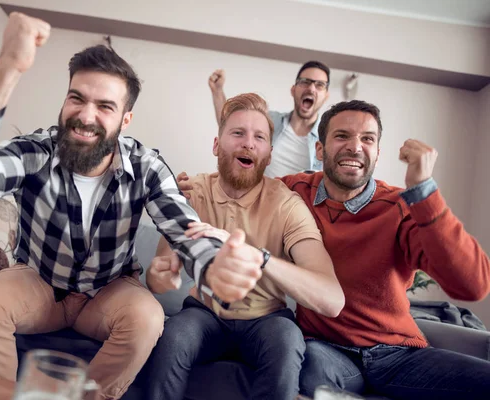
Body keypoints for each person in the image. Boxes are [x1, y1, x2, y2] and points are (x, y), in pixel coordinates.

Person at [0, 12, 264, 399]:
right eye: (77, 98)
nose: (86, 116)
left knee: (147, 317)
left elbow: (183, 227)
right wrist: (9, 67)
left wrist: (214, 262)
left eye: (105, 106)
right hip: (39, 282)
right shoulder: (38, 150)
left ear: (125, 119)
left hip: (108, 292)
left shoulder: (146, 166)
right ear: (65, 100)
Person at [178, 99, 490, 399]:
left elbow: (472, 285)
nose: (355, 146)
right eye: (342, 135)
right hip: (324, 349)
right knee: (310, 374)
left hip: (397, 353)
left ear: (377, 153)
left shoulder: (399, 206)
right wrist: (189, 190)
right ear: (319, 149)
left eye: (367, 138)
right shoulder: (292, 193)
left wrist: (423, 190)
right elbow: (242, 177)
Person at [144, 93, 344, 400]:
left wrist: (259, 257)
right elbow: (158, 278)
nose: (248, 143)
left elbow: (331, 300)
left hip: (267, 321)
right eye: (238, 133)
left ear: (269, 152)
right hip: (204, 314)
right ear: (216, 144)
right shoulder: (190, 193)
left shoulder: (288, 206)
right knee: (174, 335)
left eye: (259, 137)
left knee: (287, 339)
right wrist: (162, 276)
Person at [208, 61, 330, 176]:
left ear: (326, 96)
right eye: (305, 82)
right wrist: (217, 91)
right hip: (261, 196)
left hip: (300, 198)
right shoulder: (268, 120)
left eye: (320, 85)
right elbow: (228, 123)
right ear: (293, 90)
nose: (311, 89)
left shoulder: (328, 137)